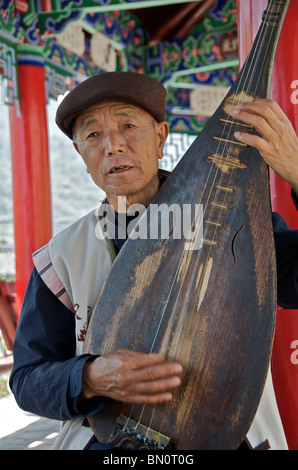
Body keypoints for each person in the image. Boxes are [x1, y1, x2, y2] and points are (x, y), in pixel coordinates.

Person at [9, 72, 298, 450]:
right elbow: (27, 380)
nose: (113, 145)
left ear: (161, 138)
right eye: (93, 135)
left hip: (228, 437)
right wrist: (91, 376)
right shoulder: (63, 256)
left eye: (128, 125)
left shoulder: (235, 220)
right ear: (81, 155)